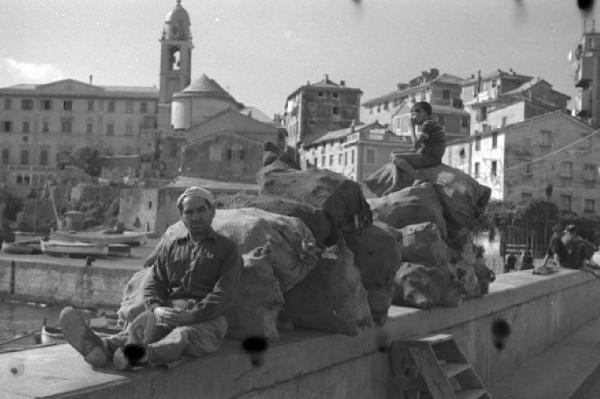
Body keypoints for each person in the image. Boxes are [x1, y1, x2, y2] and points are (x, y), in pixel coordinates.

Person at [59, 186, 243, 370]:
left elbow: (225, 293)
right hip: (169, 314)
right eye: (189, 212)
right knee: (140, 331)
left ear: (212, 212)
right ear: (182, 217)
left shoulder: (228, 250)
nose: (195, 217)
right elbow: (153, 284)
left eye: (201, 210)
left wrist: (192, 315)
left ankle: (140, 355)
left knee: (183, 335)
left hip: (207, 320)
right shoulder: (170, 248)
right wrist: (157, 309)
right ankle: (101, 347)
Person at [391, 101, 446, 179]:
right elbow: (418, 146)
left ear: (422, 112)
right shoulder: (432, 123)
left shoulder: (428, 124)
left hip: (430, 158)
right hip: (431, 156)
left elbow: (415, 144)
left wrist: (412, 127)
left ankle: (417, 177)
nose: (412, 118)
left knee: (395, 158)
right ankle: (395, 183)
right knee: (394, 153)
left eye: (414, 115)